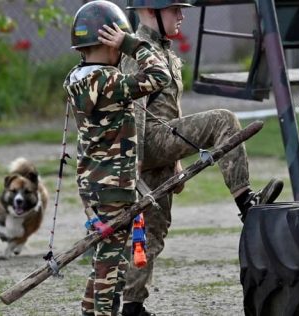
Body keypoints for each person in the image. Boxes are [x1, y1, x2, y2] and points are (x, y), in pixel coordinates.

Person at [119, 1, 284, 315]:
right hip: (146, 142)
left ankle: (132, 306)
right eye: (174, 9)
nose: (181, 15)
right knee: (223, 120)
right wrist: (135, 163)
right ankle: (246, 202)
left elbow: (168, 109)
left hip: (161, 144)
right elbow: (135, 110)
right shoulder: (137, 52)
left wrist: (176, 160)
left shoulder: (162, 50)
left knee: (153, 229)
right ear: (150, 12)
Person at [63, 1, 171, 315]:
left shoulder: (76, 79)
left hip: (91, 182)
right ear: (110, 45)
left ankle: (88, 311)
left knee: (103, 257)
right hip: (112, 184)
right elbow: (160, 75)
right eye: (118, 48)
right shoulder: (110, 82)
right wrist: (133, 44)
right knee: (113, 262)